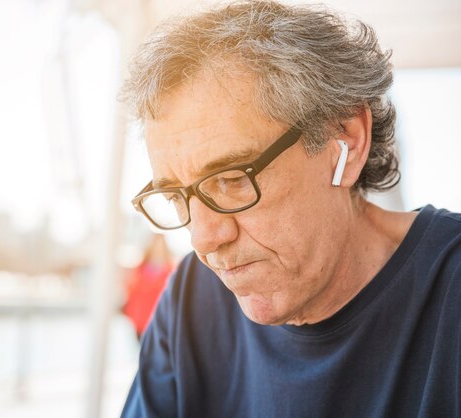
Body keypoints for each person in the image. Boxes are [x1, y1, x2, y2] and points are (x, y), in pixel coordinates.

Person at [119, 1, 461, 417]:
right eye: (177, 196)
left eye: (231, 179)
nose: (204, 239)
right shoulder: (194, 300)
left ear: (346, 141)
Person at [122, 234, 174, 339]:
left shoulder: (172, 272)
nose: (158, 249)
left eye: (160, 246)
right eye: (155, 245)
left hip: (161, 325)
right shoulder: (139, 269)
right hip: (140, 323)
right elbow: (131, 293)